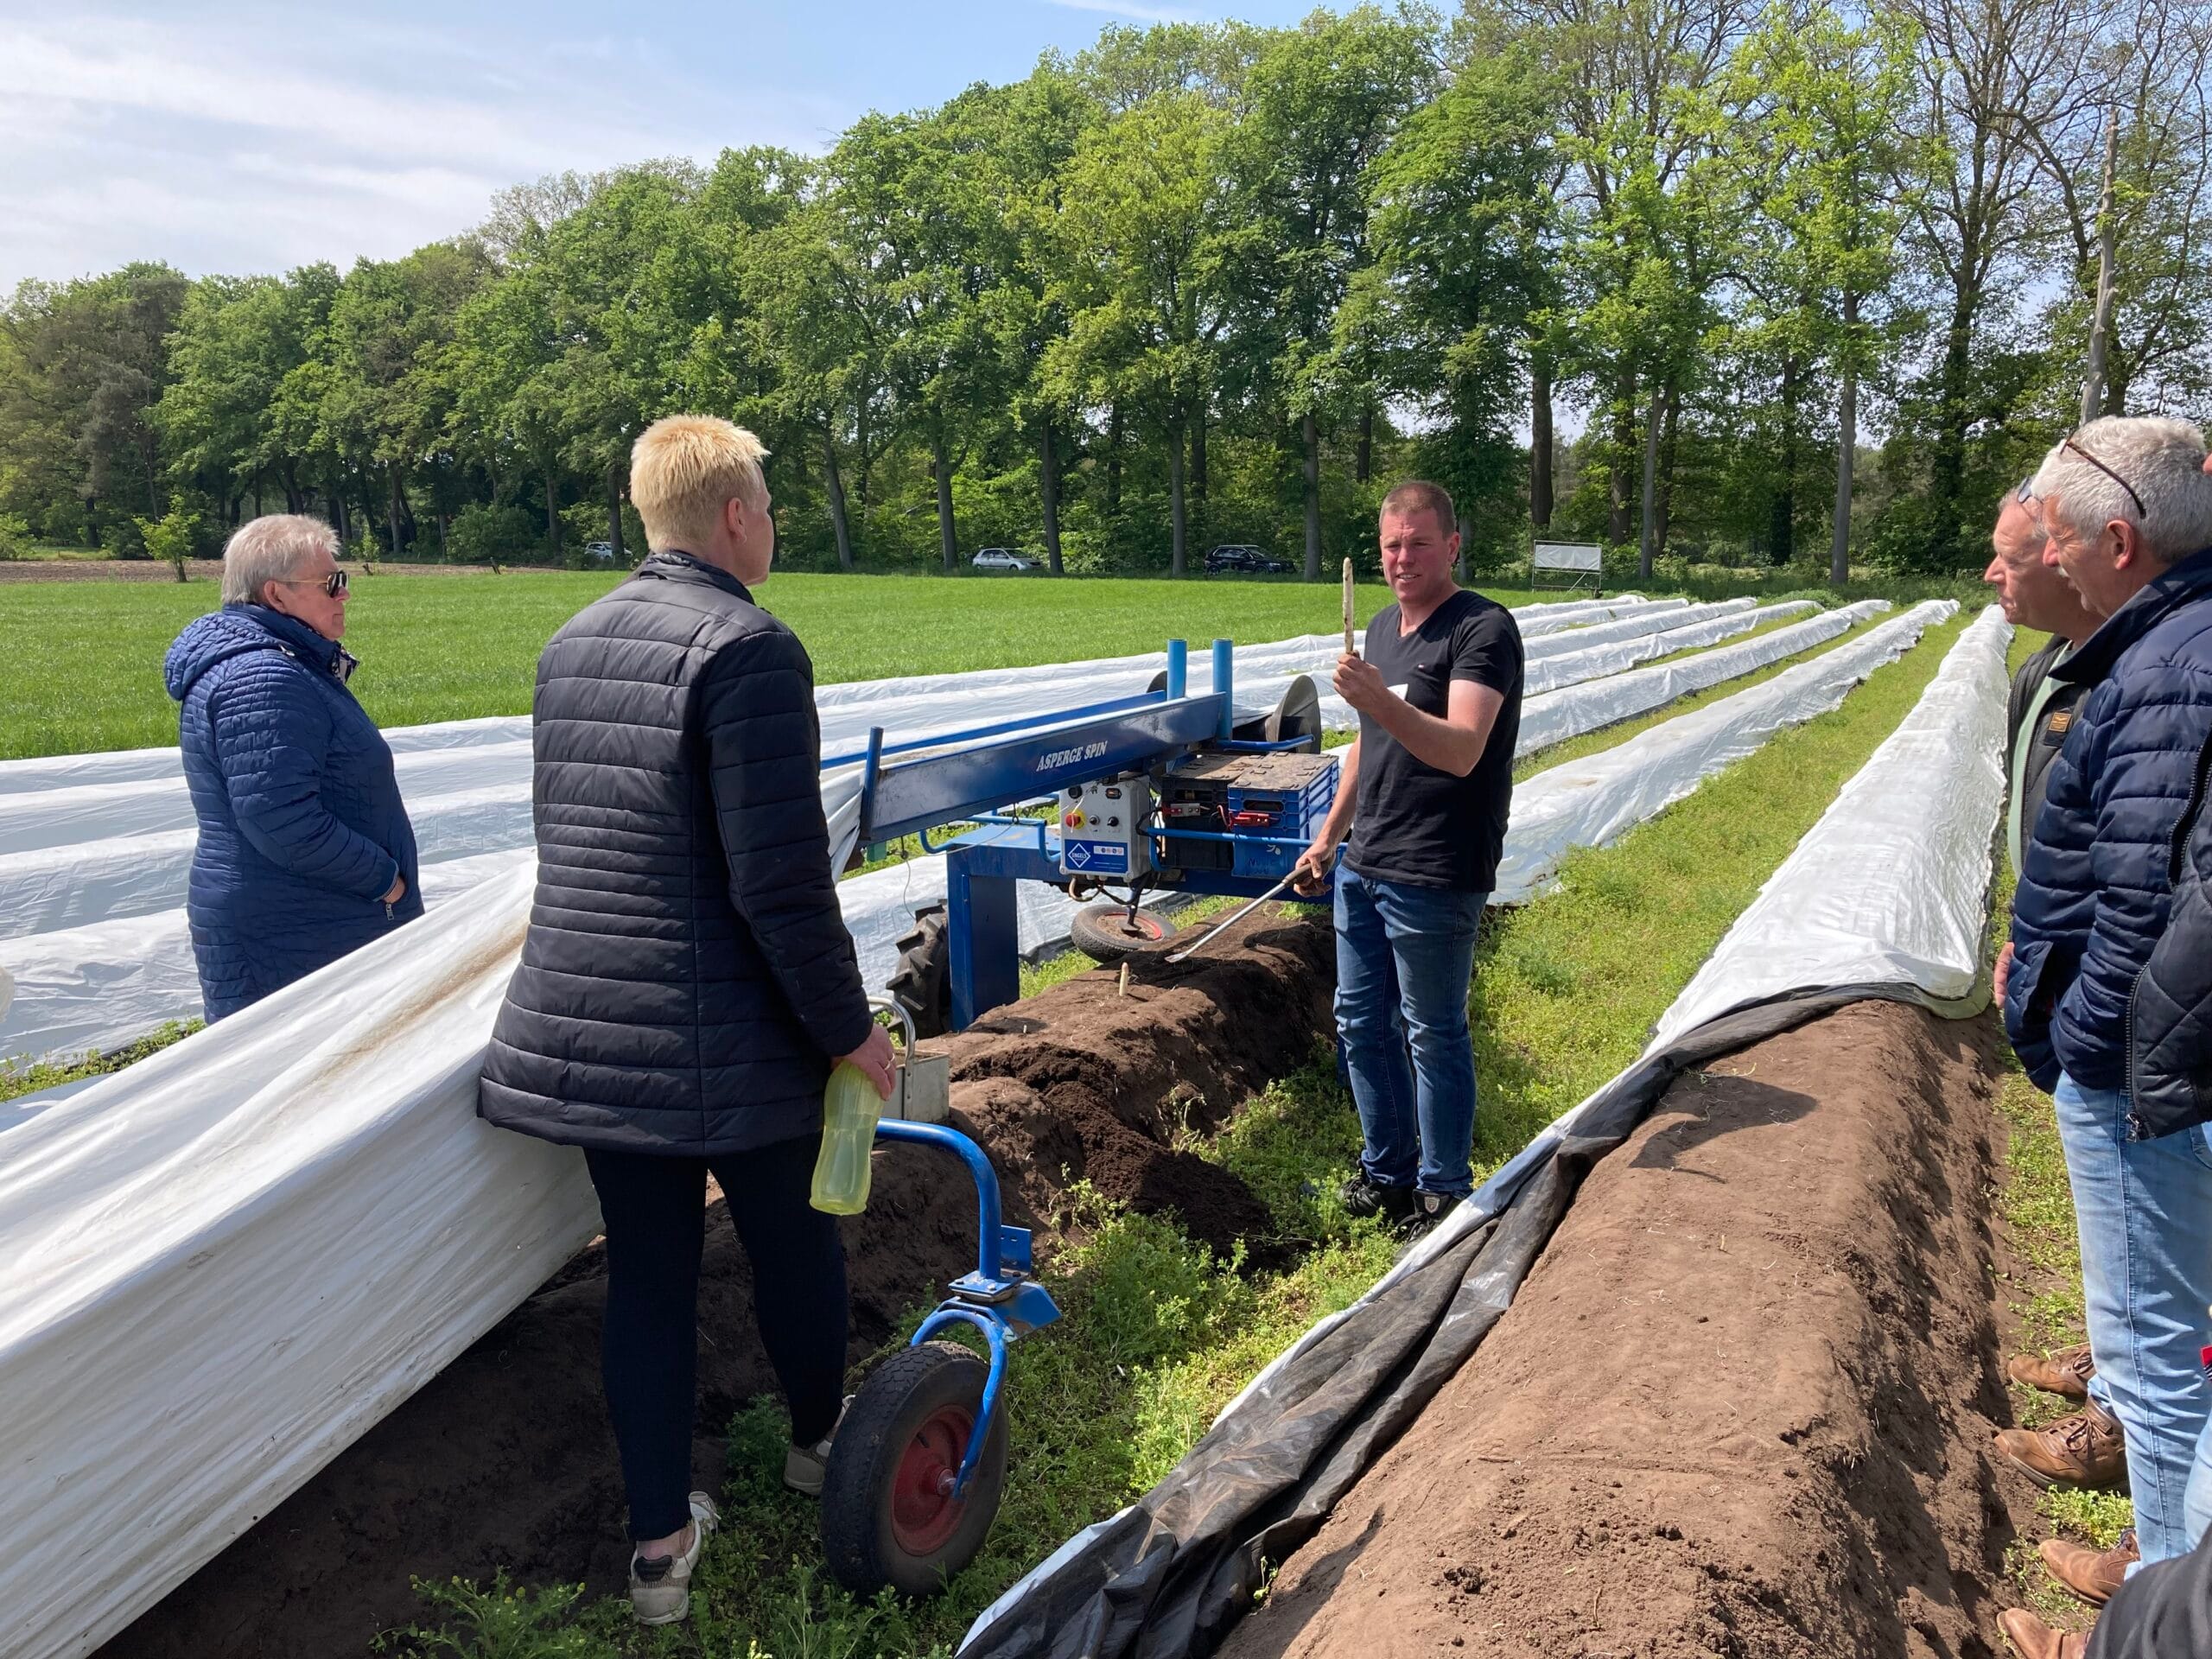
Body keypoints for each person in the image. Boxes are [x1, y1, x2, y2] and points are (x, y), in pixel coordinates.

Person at [477, 416, 895, 1628]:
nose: (771, 521)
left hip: (592, 1026)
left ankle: (658, 1554)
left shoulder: (570, 644)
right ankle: (822, 1445)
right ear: (730, 519)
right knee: (798, 1245)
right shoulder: (751, 650)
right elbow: (777, 881)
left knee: (648, 1284)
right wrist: (845, 1030)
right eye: (765, 503)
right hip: (723, 1033)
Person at [1997, 417, 2212, 1598]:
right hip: (2155, 1061)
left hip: (2145, 1074)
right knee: (2177, 1344)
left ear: (2120, 540)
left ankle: (2155, 1610)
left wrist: (2088, 1043)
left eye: (2061, 539)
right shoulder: (2171, 648)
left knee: (2170, 1361)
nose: (2048, 558)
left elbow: (2148, 903)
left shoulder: (2170, 669)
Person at [1293, 480, 1522, 1234]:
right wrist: (1330, 834)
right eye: (1392, 544)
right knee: (1360, 1021)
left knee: (1433, 1030)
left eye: (1419, 542)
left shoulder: (1481, 630)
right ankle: (1385, 1170)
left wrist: (1375, 699)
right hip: (1367, 860)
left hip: (1436, 867)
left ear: (1452, 545)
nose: (1402, 558)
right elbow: (1371, 741)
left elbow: (1460, 749)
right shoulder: (1385, 631)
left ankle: (1442, 1190)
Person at [162, 513, 421, 1020]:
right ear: (276, 596)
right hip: (297, 927)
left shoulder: (280, 663)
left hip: (305, 916)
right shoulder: (263, 678)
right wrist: (384, 881)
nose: (344, 594)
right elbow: (281, 820)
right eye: (331, 583)